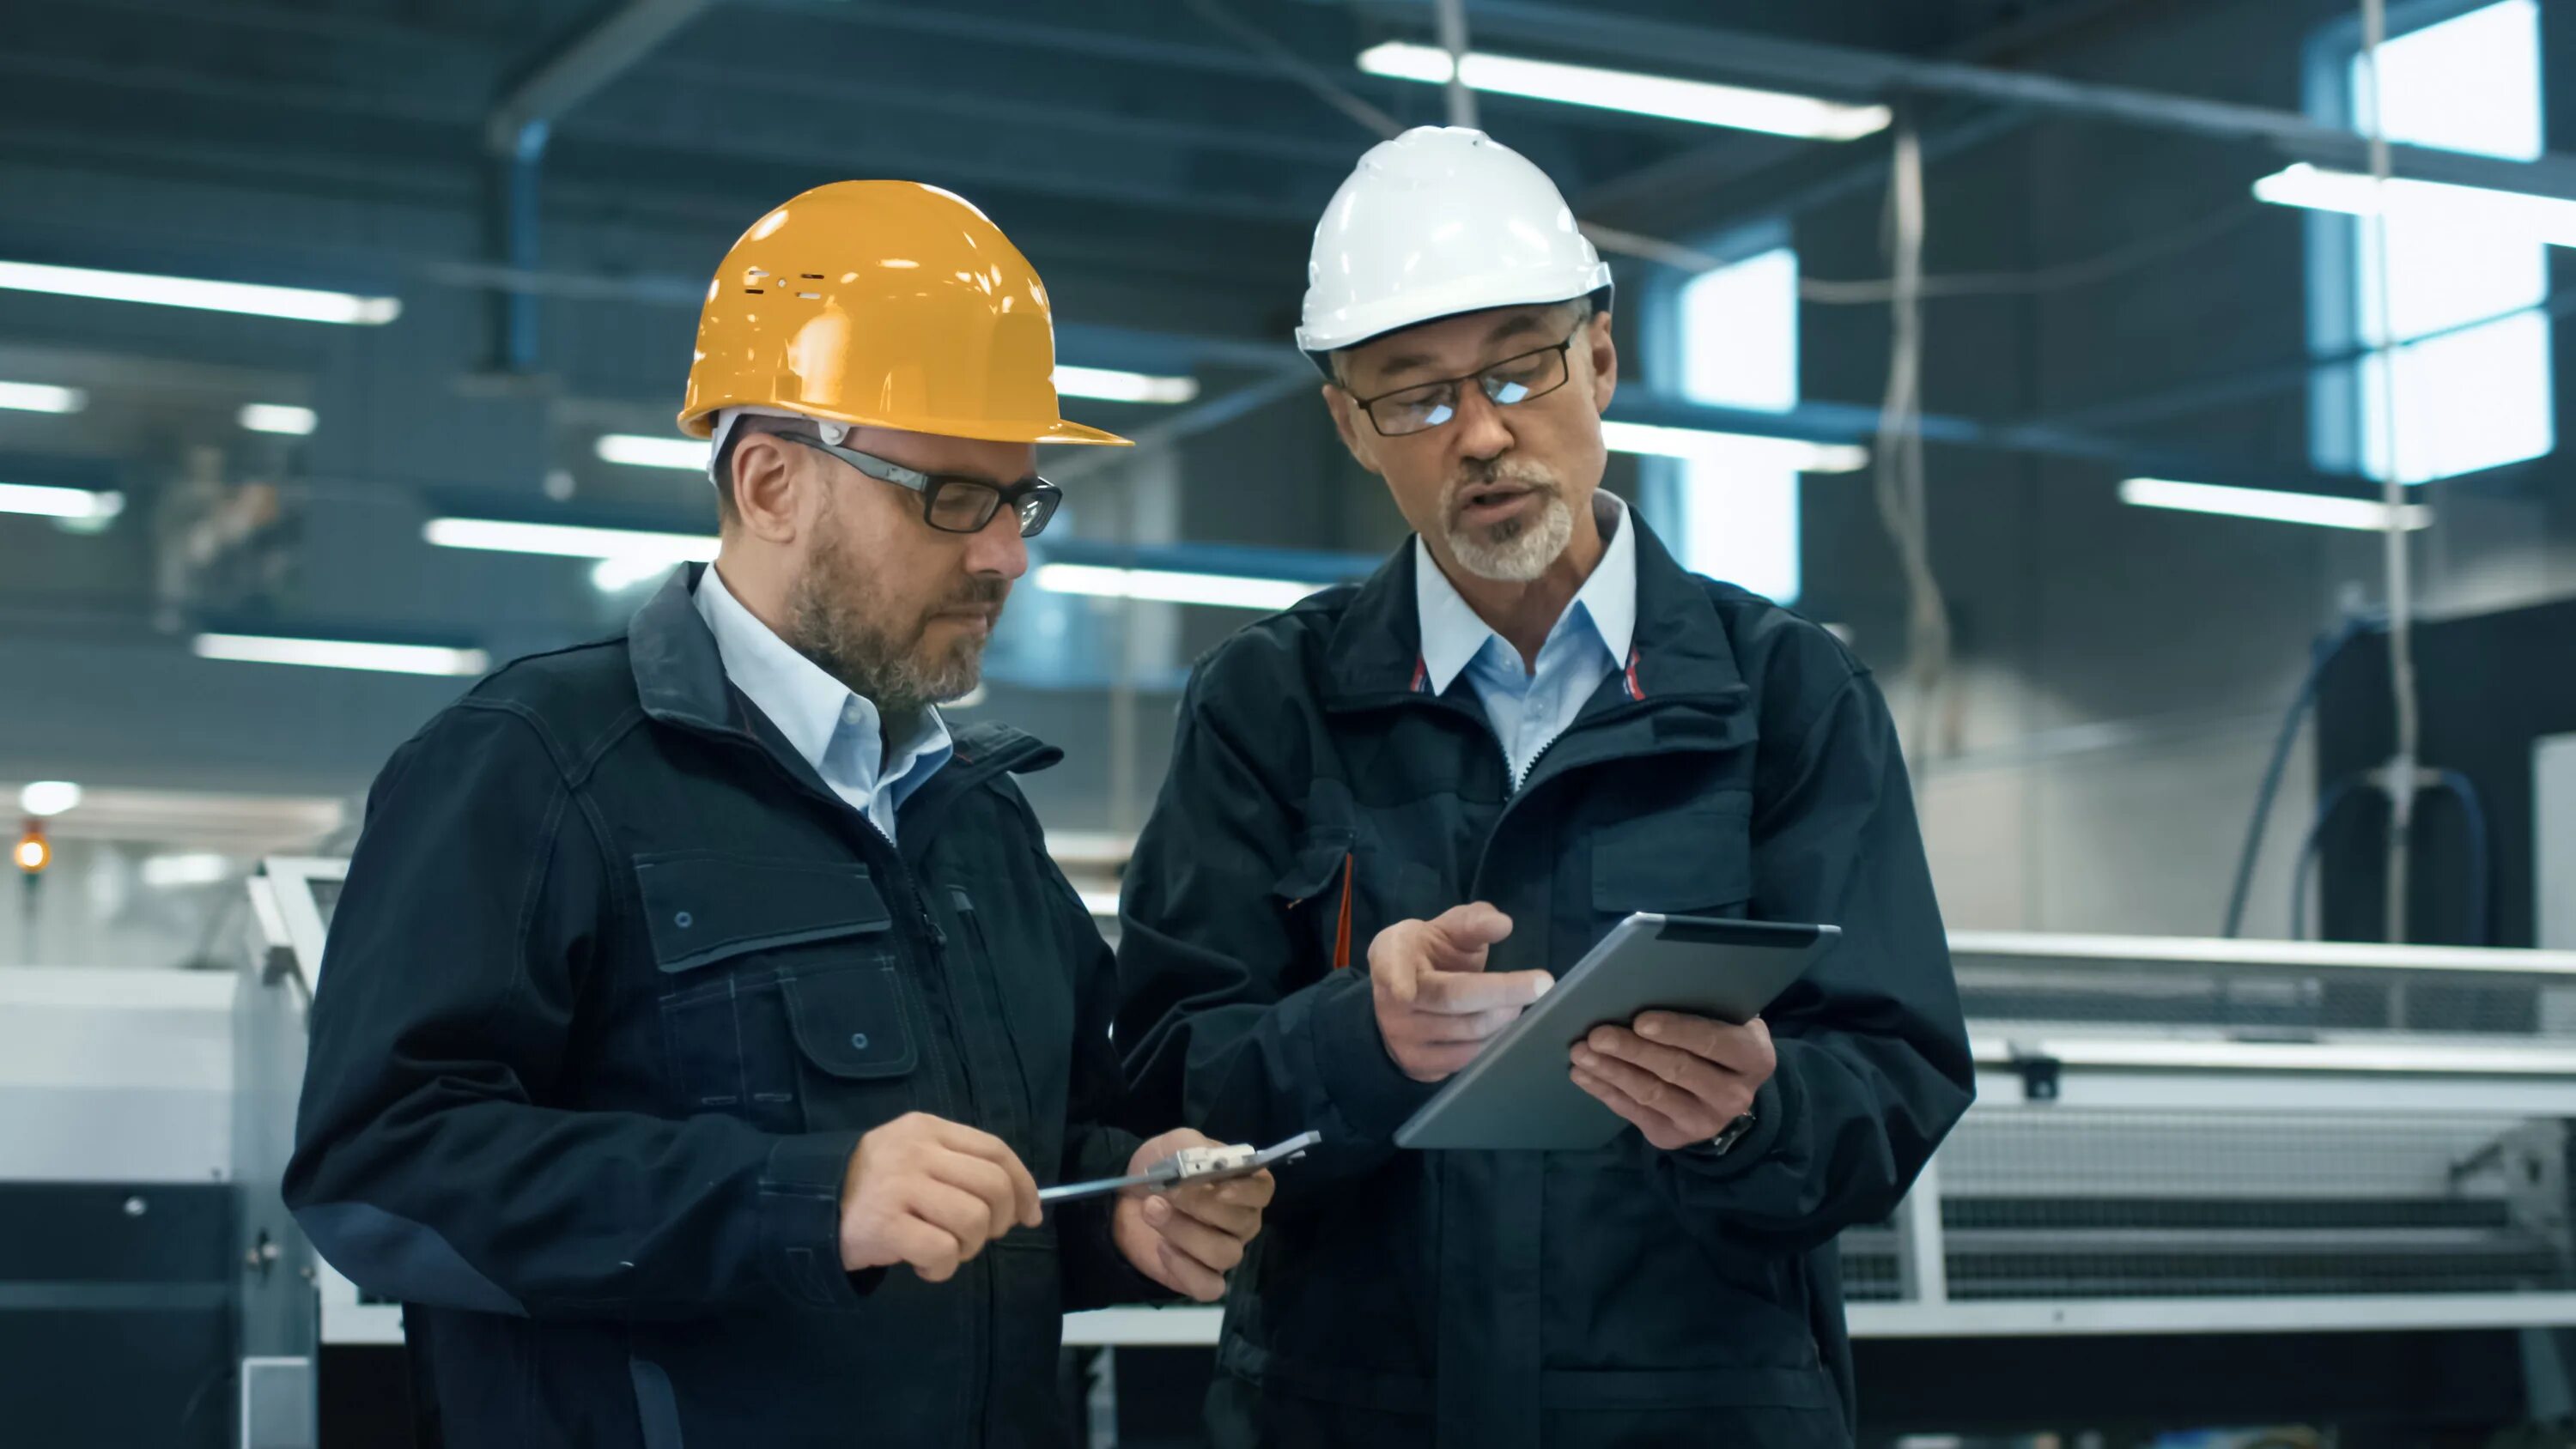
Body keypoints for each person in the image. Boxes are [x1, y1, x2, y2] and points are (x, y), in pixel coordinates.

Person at [285, 180, 1273, 1448]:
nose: (1005, 558)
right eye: (953, 498)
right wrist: (803, 1198)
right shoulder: (536, 769)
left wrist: (1121, 1207)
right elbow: (382, 1173)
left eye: (1019, 500)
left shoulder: (976, 821)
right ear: (769, 483)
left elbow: (1036, 1163)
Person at [1113, 127, 1972, 1448]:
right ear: (1349, 424)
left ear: (1604, 359)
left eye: (1523, 364)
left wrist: (1759, 1110)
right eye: (1416, 395)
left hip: (1696, 1416)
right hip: (1347, 1417)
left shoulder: (1788, 697)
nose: (1485, 432)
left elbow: (1899, 1074)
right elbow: (1172, 1075)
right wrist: (1359, 1042)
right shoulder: (1267, 707)